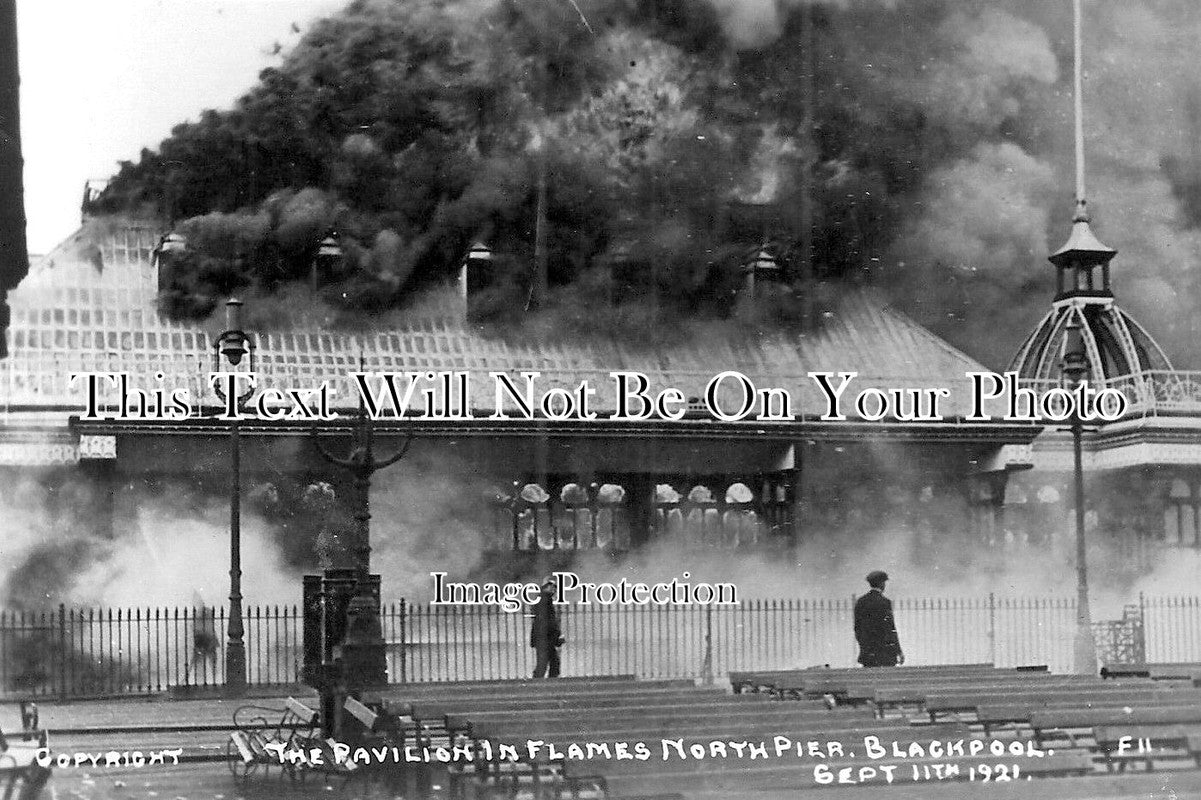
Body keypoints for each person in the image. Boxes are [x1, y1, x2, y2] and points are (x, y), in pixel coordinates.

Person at [854, 570, 904, 667]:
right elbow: (890, 629)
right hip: (885, 652)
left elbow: (857, 628)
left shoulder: (861, 602)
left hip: (868, 652)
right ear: (882, 583)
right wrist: (898, 651)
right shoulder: (884, 602)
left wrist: (864, 645)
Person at [530, 576, 564, 678]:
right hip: (546, 637)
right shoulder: (545, 600)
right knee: (549, 663)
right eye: (553, 587)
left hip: (544, 637)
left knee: (548, 663)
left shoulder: (542, 599)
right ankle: (543, 684)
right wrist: (557, 635)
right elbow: (549, 621)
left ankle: (540, 684)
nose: (554, 590)